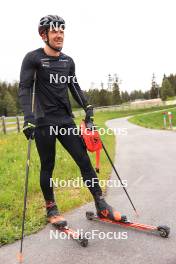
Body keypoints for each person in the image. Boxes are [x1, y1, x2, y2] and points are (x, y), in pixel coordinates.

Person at [18, 15, 127, 228]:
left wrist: (87, 107)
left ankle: (101, 204)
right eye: (54, 31)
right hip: (43, 122)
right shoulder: (33, 59)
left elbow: (74, 86)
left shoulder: (68, 61)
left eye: (62, 31)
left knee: (83, 160)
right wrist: (28, 118)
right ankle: (51, 208)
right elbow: (24, 88)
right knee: (48, 165)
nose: (59, 35)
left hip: (65, 121)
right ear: (44, 35)